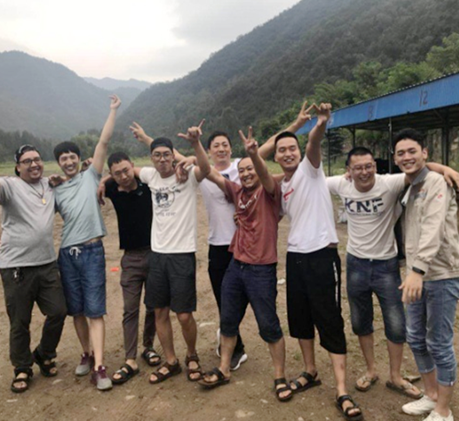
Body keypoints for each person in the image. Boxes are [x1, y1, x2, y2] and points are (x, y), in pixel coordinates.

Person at [326, 147, 459, 400]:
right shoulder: (340, 185)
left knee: (396, 323)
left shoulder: (389, 183)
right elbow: (309, 180)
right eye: (358, 168)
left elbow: (418, 169)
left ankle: (396, 376)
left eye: (369, 166)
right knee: (360, 321)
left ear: (375, 167)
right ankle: (370, 370)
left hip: (386, 265)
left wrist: (444, 168)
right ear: (348, 171)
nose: (364, 172)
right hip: (356, 263)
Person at [272, 102, 362, 420]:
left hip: (322, 255)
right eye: (281, 150)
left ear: (299, 152)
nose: (287, 153)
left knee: (330, 319)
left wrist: (320, 123)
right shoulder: (281, 186)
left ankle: (342, 390)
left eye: (291, 149)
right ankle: (310, 370)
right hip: (295, 257)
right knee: (300, 318)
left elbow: (313, 143)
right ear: (276, 156)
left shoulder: (310, 170)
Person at [199, 127, 293, 403]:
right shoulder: (237, 192)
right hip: (235, 267)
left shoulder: (269, 191)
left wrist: (253, 154)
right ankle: (224, 369)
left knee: (269, 325)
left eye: (251, 169)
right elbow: (209, 172)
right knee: (228, 321)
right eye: (242, 170)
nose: (247, 173)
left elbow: (264, 174)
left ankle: (279, 376)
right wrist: (195, 145)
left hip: (261, 270)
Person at [0, 145, 67, 393]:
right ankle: (22, 367)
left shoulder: (50, 185)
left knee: (59, 311)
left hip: (46, 263)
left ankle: (44, 353)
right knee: (20, 320)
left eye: (37, 159)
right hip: (16, 267)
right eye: (27, 161)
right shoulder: (10, 187)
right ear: (18, 167)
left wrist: (65, 179)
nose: (34, 164)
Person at [130, 121, 211, 384]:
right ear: (151, 158)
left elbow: (206, 168)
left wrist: (194, 147)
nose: (162, 159)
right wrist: (104, 180)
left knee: (184, 314)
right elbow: (126, 169)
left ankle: (192, 355)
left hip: (182, 254)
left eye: (167, 154)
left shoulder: (187, 175)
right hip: (157, 255)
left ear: (173, 156)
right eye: (157, 155)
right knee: (159, 312)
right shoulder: (149, 176)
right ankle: (171, 361)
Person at [393, 129, 459, 421]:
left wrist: (417, 269)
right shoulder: (409, 185)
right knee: (415, 337)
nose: (406, 157)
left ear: (425, 152)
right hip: (415, 276)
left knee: (439, 343)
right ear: (395, 159)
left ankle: (443, 411)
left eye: (413, 151)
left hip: (440, 275)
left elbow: (434, 227)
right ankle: (431, 395)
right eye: (401, 153)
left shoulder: (436, 182)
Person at [52, 95, 120, 391]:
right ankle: (86, 352)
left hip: (92, 251)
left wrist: (113, 111)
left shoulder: (92, 175)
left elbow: (103, 142)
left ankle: (100, 366)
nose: (68, 161)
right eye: (63, 158)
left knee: (95, 310)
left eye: (72, 157)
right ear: (58, 163)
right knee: (76, 310)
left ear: (79, 159)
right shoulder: (55, 189)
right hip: (67, 254)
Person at [101, 151, 160, 385]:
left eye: (126, 170)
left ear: (133, 166)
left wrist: (105, 180)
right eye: (117, 173)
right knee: (130, 309)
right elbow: (99, 181)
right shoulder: (112, 189)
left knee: (154, 305)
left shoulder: (147, 184)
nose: (123, 176)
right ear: (112, 175)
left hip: (155, 253)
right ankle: (130, 359)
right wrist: (103, 182)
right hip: (131, 258)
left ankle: (149, 346)